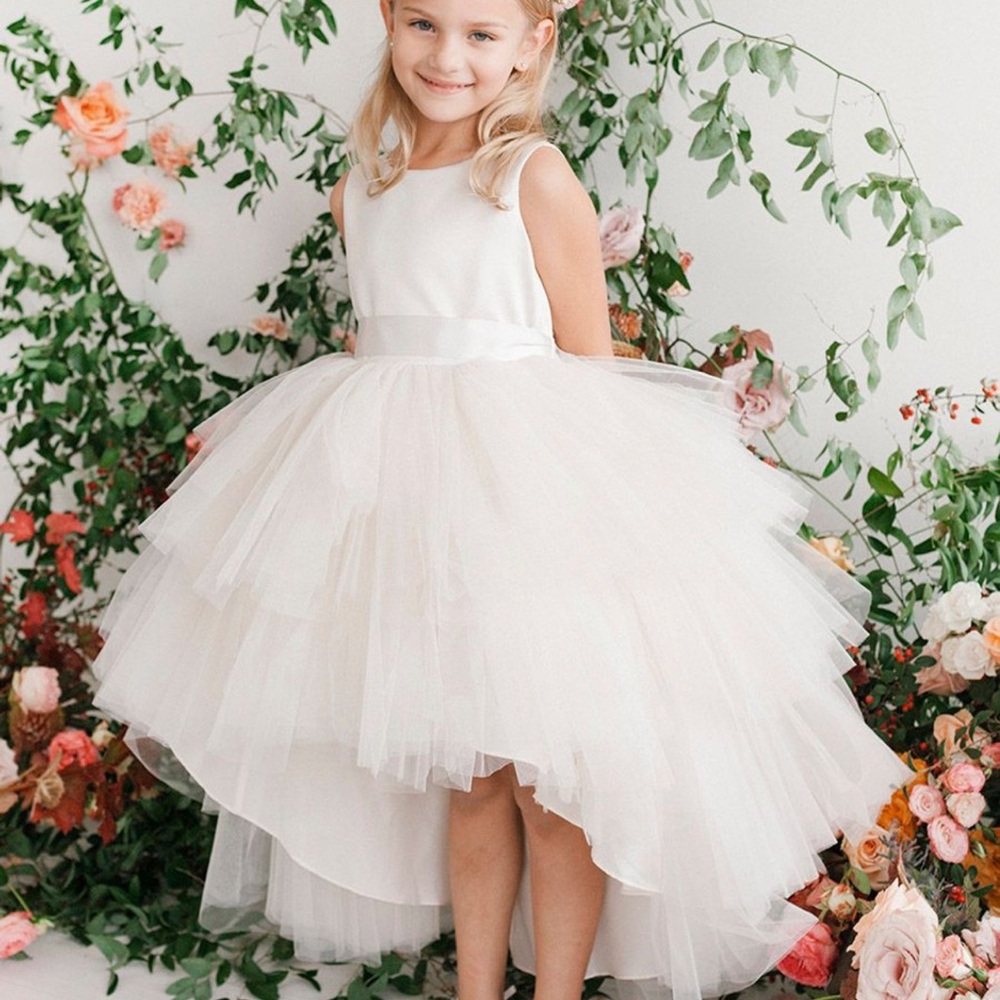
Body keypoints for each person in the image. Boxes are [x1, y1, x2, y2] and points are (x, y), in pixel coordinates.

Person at [89, 2, 915, 1000]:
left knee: (550, 776)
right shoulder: (366, 184)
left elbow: (587, 368)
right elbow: (383, 345)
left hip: (526, 501)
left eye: (482, 33)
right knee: (470, 771)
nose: (448, 56)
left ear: (535, 43)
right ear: (390, 21)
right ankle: (477, 989)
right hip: (408, 507)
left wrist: (592, 531)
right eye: (426, 24)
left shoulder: (533, 176)